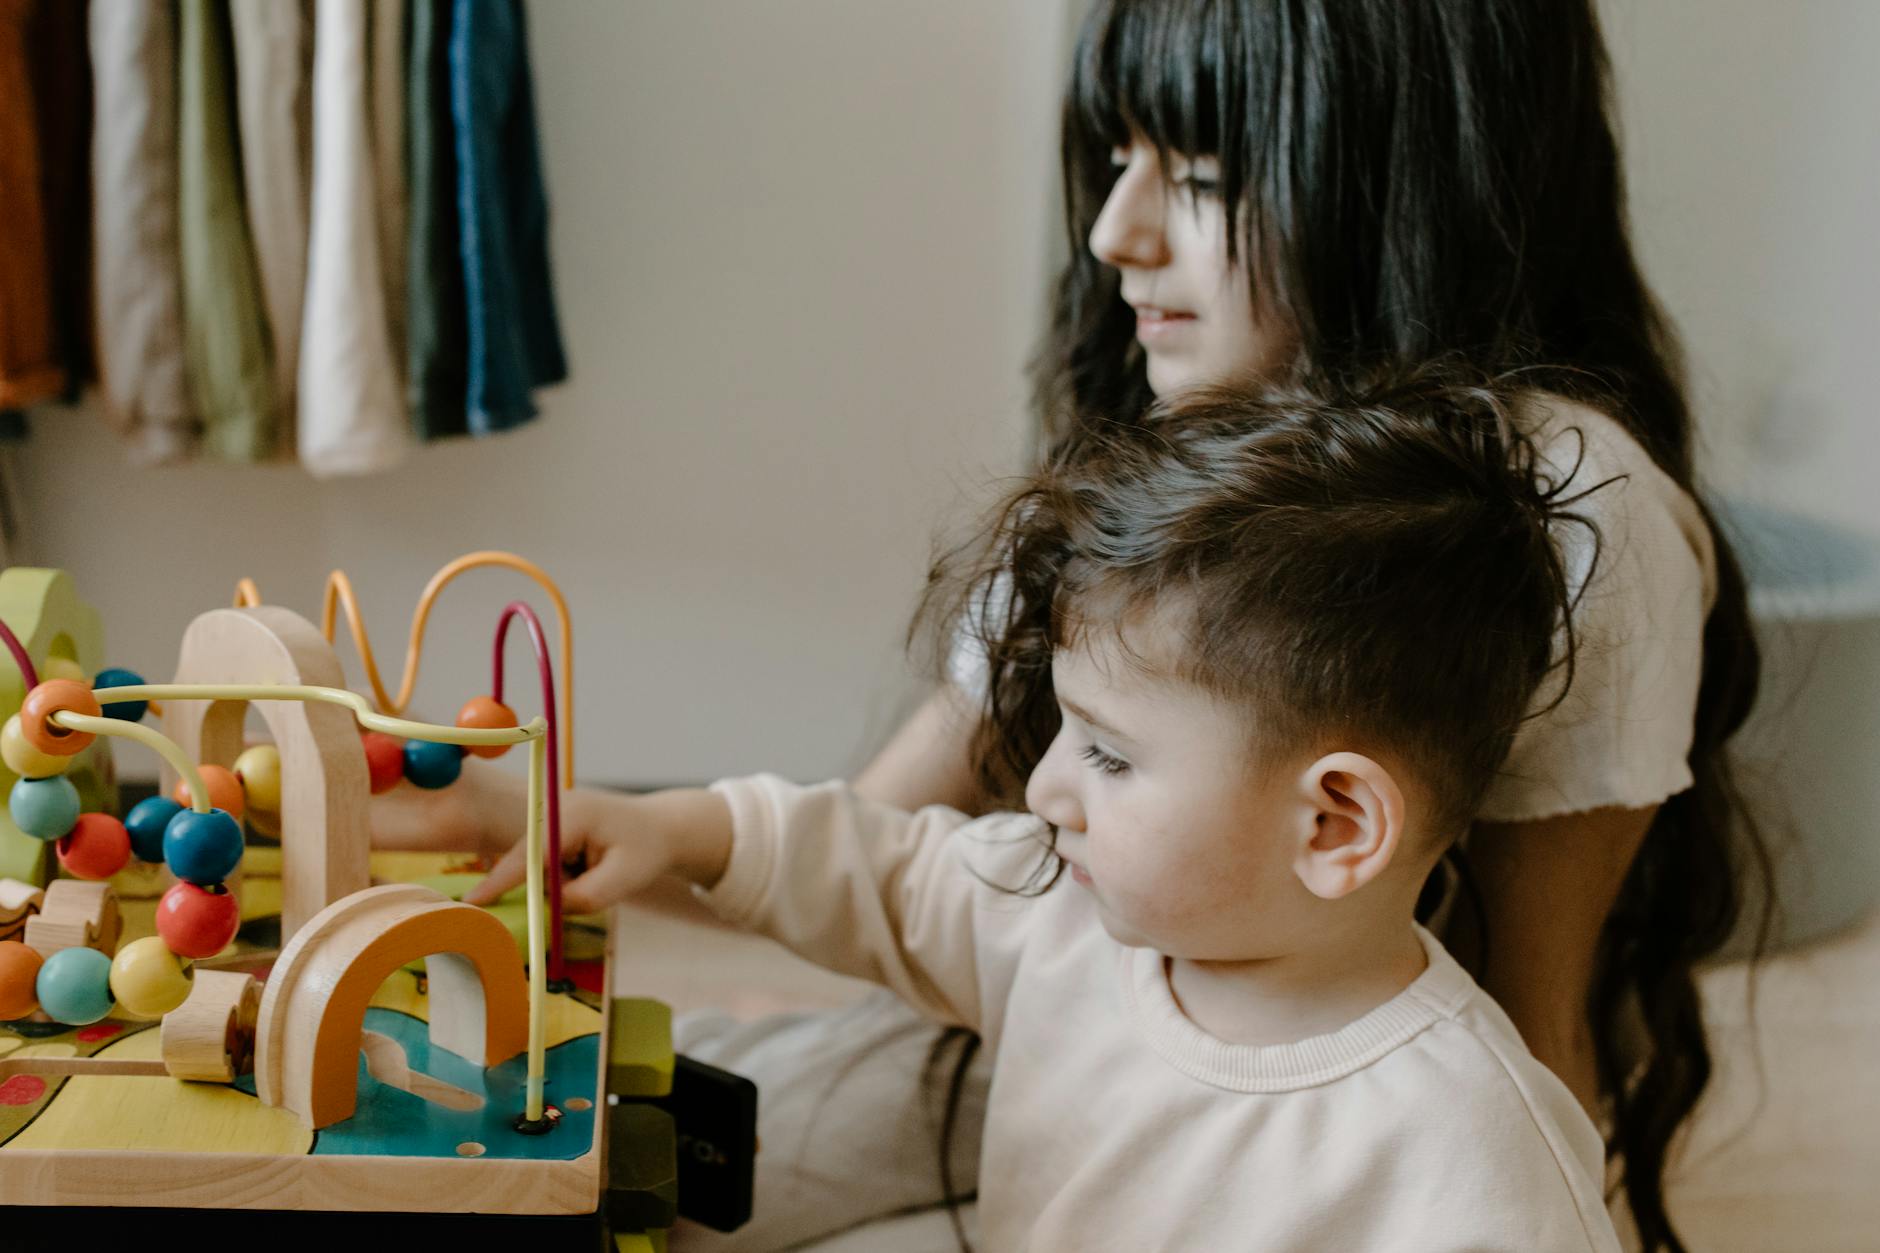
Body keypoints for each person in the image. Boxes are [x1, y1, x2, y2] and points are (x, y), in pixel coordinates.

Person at [374, 2, 1764, 1247]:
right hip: (1104, 993)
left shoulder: (1570, 505)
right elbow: (890, 856)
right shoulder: (1159, 487)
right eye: (1118, 157)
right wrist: (590, 816)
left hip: (1334, 1079)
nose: (1114, 233)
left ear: (1399, 183)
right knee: (616, 1151)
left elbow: (1539, 1023)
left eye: (1203, 176)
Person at [470, 374, 1625, 1250]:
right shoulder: (1063, 913)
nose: (1043, 787)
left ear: (1332, 826)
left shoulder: (1470, 1154)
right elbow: (888, 872)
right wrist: (685, 829)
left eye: (1110, 757)